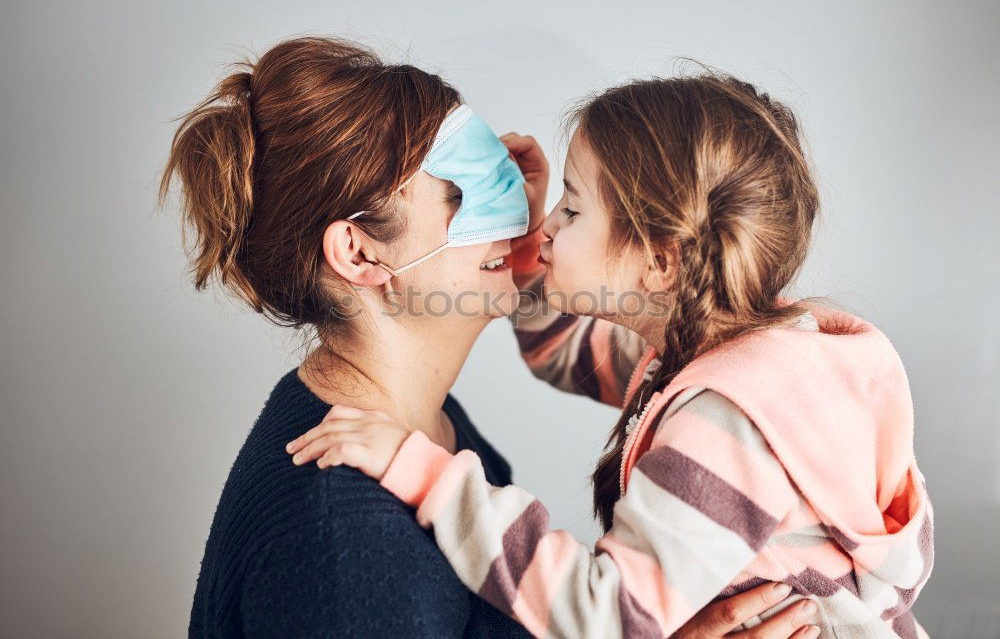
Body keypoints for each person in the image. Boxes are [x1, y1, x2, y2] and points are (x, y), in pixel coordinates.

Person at [162, 37, 803, 638]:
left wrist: (521, 257)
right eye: (460, 194)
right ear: (358, 254)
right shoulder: (349, 549)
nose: (520, 212)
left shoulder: (420, 422)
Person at [288, 71, 934, 638]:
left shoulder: (727, 422)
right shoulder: (734, 358)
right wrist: (525, 260)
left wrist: (428, 476)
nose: (543, 227)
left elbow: (609, 618)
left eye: (571, 207)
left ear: (659, 260)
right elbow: (565, 355)